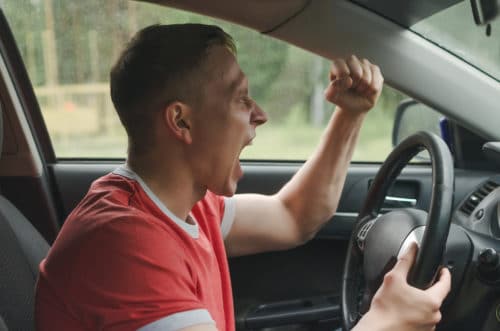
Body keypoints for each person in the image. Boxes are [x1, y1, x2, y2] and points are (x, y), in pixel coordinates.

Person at [34, 24, 451, 331]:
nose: (260, 115)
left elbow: (294, 216)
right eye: (240, 97)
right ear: (181, 121)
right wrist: (386, 321)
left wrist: (350, 113)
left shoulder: (184, 203)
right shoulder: (124, 244)